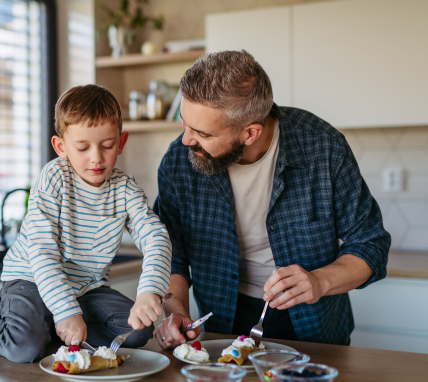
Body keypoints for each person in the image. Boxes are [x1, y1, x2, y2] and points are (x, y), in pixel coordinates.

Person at [153, 50, 390, 349]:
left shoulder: (322, 147)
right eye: (184, 124)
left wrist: (319, 281)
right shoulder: (179, 161)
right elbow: (172, 252)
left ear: (250, 133)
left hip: (315, 323)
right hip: (222, 317)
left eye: (201, 132)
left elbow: (371, 244)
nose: (186, 140)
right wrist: (176, 311)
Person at [0, 85, 172, 362]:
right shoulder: (54, 178)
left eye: (107, 146)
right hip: (30, 279)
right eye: (83, 147)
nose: (96, 157)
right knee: (25, 349)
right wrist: (66, 310)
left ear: (121, 141)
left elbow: (156, 237)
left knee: (138, 332)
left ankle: (55, 329)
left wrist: (150, 290)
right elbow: (42, 252)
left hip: (86, 288)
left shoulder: (125, 188)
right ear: (61, 147)